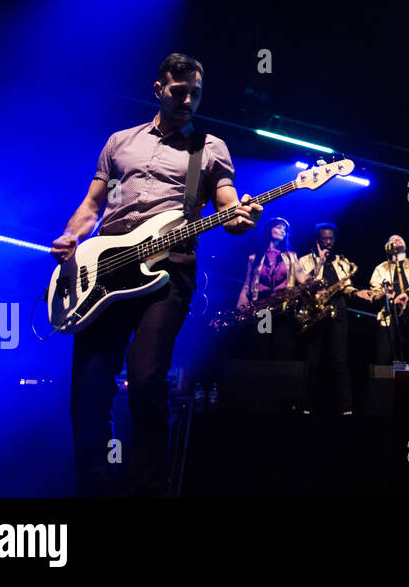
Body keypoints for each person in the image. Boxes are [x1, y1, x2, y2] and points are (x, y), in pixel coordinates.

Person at [50, 53, 262, 496]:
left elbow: (226, 205)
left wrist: (238, 218)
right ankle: (96, 487)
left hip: (168, 271)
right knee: (88, 389)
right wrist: (71, 237)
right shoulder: (120, 142)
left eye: (196, 94)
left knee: (146, 379)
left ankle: (150, 489)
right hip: (104, 266)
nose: (188, 100)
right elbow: (92, 207)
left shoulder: (210, 148)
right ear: (158, 89)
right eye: (179, 91)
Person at [295, 222, 357, 414]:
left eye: (331, 239)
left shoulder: (342, 261)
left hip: (338, 308)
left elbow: (346, 286)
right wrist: (320, 262)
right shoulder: (305, 260)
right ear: (317, 241)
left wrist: (356, 293)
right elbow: (304, 284)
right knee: (312, 360)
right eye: (324, 239)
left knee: (340, 360)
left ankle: (346, 408)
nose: (328, 242)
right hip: (315, 310)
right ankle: (306, 407)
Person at [237, 217, 303, 360]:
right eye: (279, 227)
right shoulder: (254, 258)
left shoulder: (291, 257)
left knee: (282, 349)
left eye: (284, 230)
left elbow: (302, 278)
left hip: (284, 307)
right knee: (262, 347)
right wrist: (241, 302)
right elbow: (247, 285)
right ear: (269, 229)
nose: (282, 231)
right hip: (263, 308)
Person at [355, 234, 409, 365]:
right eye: (392, 239)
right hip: (388, 319)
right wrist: (384, 296)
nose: (396, 239)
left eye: (400, 238)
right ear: (387, 247)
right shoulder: (381, 268)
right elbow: (374, 291)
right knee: (383, 360)